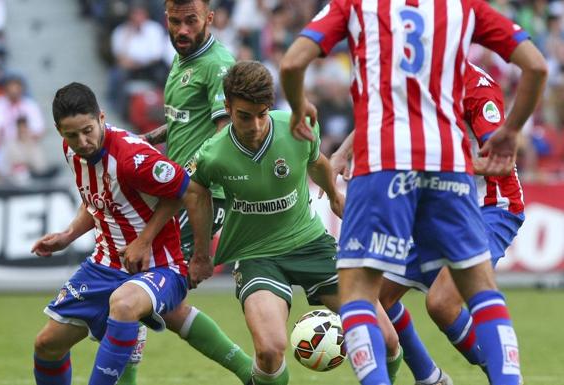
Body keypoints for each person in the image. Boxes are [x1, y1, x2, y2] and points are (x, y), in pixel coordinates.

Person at [280, 1, 547, 385]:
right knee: (381, 300)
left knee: (433, 301)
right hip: (429, 187)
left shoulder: (478, 87)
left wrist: (435, 155)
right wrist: (344, 152)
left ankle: (496, 376)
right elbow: (396, 105)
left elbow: (496, 159)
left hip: (489, 203)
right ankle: (431, 377)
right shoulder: (436, 47)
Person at [186, 60, 403, 385]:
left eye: (262, 114)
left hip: (311, 244)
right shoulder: (213, 155)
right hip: (257, 255)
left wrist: (333, 194)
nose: (256, 125)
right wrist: (201, 254)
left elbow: (316, 162)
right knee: (271, 350)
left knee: (385, 340)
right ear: (228, 108)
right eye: (245, 116)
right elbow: (195, 189)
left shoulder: (298, 129)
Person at [31, 82, 212, 385]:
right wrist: (68, 235)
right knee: (47, 345)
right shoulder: (72, 151)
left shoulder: (131, 159)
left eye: (88, 130)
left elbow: (190, 192)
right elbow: (96, 202)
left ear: (101, 118)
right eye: (71, 134)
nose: (82, 141)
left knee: (126, 304)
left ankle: (258, 373)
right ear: (58, 131)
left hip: (161, 265)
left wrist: (149, 242)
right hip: (105, 265)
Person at [121, 1, 254, 385]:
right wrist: (147, 140)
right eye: (175, 21)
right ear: (166, 17)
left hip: (198, 191)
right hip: (177, 188)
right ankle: (250, 373)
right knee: (167, 303)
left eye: (191, 21)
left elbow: (223, 133)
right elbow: (184, 121)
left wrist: (183, 178)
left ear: (209, 19)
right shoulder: (183, 58)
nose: (182, 29)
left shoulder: (217, 65)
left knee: (134, 280)